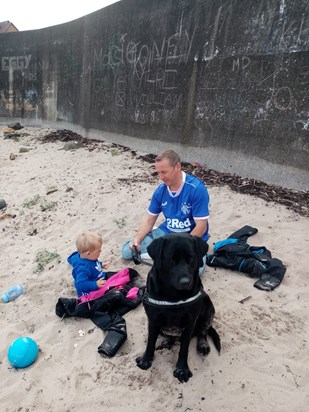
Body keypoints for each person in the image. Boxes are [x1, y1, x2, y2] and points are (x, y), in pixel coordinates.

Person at [121, 150, 210, 270]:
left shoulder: (196, 189)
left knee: (195, 270)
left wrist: (180, 248)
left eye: (164, 172)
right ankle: (161, 254)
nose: (161, 177)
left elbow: (201, 227)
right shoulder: (160, 190)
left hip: (190, 237)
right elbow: (149, 220)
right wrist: (137, 240)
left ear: (177, 166)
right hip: (167, 232)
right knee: (128, 252)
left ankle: (162, 255)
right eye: (158, 173)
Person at [67, 230, 110, 297]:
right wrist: (95, 284)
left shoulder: (89, 257)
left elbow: (93, 263)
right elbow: (81, 284)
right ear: (88, 253)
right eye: (98, 250)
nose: (101, 251)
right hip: (90, 291)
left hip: (98, 278)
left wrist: (100, 264)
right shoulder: (83, 268)